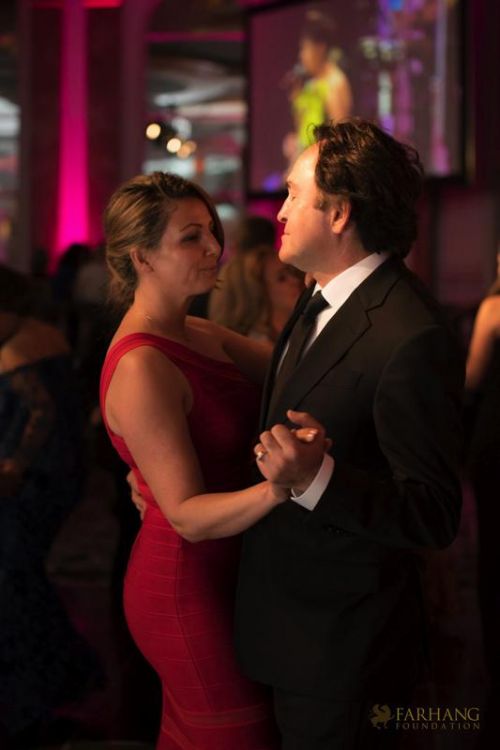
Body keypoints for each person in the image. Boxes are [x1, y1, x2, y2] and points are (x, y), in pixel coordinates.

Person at [232, 119, 464, 749]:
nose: (279, 211)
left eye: (293, 194)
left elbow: (433, 512)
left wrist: (317, 478)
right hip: (289, 628)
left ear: (338, 214)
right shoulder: (322, 295)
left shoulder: (410, 334)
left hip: (346, 652)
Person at [100, 172, 320, 749]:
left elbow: (301, 376)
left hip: (233, 567)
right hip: (185, 584)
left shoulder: (198, 331)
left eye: (212, 231)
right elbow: (187, 516)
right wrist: (280, 486)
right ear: (142, 257)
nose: (214, 248)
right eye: (191, 237)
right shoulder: (142, 364)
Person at [0, 265, 101, 745]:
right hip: (50, 478)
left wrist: (13, 467)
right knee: (21, 577)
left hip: (33, 483)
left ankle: (38, 693)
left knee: (15, 578)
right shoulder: (38, 337)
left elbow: (37, 417)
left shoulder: (21, 352)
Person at [466, 249, 500, 699]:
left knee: (492, 554)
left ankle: (494, 663)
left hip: (494, 444)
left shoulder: (494, 308)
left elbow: (470, 381)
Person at [283, 10, 353, 167]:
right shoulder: (311, 83)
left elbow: (339, 139)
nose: (302, 56)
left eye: (305, 49)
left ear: (320, 48)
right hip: (306, 163)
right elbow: (303, 128)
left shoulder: (334, 82)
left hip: (322, 169)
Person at [208, 244, 304, 345]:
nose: (296, 280)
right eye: (282, 278)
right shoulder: (253, 350)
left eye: (293, 272)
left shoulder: (303, 330)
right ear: (257, 294)